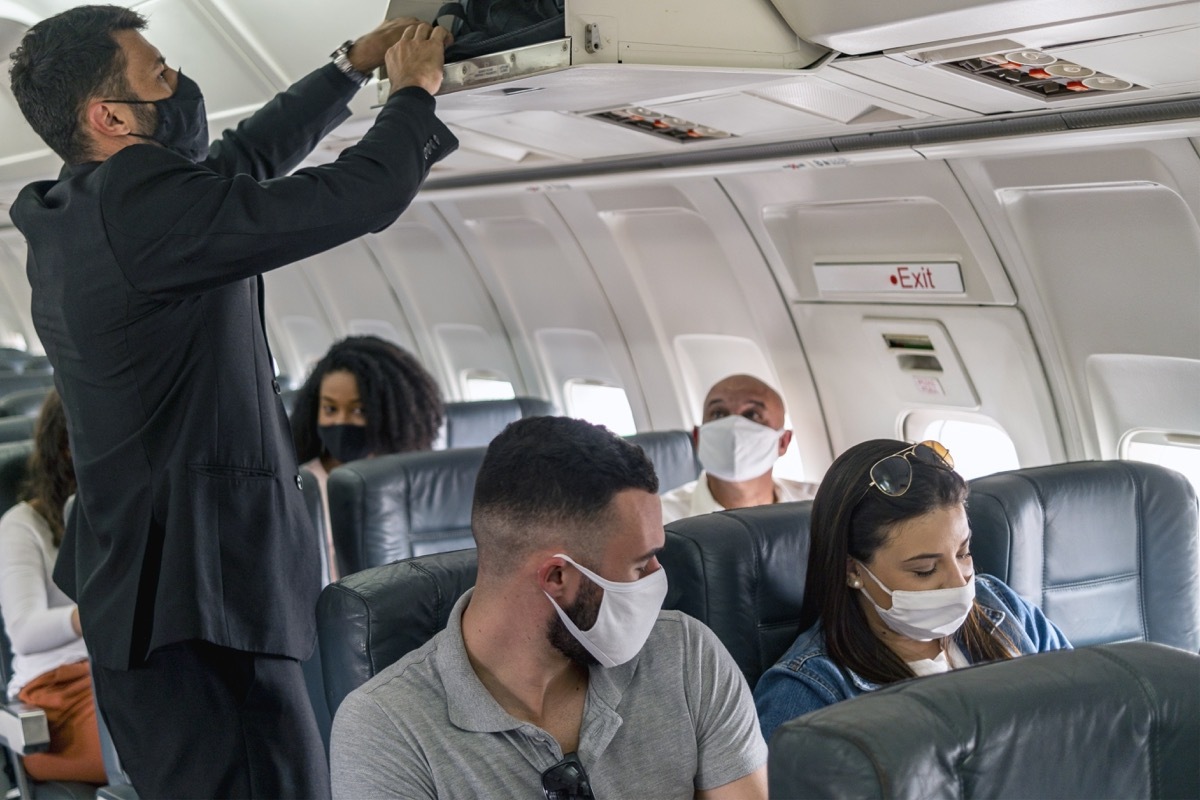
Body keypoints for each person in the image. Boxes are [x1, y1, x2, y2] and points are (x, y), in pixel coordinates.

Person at [8, 4, 456, 796]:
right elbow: (355, 196)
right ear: (108, 116)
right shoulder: (142, 208)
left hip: (158, 601)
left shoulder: (80, 206)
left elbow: (240, 159)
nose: (179, 85)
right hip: (202, 604)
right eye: (160, 77)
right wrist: (411, 97)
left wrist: (348, 68)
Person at [330, 416, 768, 799]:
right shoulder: (386, 727)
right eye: (639, 565)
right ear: (558, 578)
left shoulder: (688, 656)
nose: (658, 576)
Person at [753, 439, 1071, 741]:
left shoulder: (1002, 608)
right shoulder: (808, 690)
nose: (959, 582)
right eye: (924, 570)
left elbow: (1088, 712)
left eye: (963, 553)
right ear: (853, 570)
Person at [0, 390, 105, 784]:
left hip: (117, 677)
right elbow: (24, 632)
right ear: (64, 449)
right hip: (54, 701)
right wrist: (95, 616)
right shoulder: (21, 525)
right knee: (160, 750)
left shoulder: (122, 513)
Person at [291, 335, 444, 578]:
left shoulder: (414, 482)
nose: (341, 421)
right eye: (330, 409)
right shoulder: (299, 487)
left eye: (359, 410)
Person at [661, 374, 818, 524]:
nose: (734, 426)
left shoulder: (819, 506)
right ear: (698, 438)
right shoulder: (660, 520)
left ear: (783, 441)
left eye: (752, 415)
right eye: (718, 414)